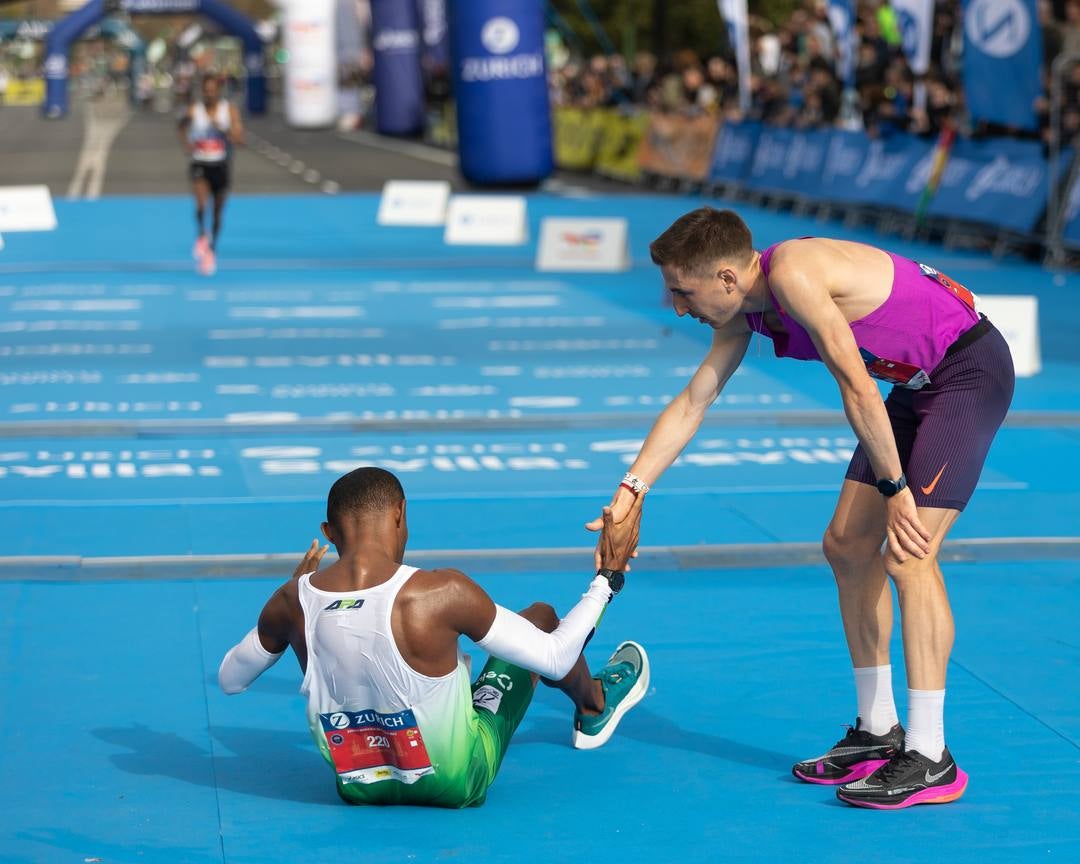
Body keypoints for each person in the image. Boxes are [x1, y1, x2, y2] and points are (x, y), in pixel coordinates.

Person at [587, 208, 1015, 810]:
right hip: (915, 385)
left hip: (967, 373)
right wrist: (631, 490)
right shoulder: (745, 308)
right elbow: (693, 402)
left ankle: (930, 754)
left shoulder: (795, 275)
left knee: (909, 553)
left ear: (727, 278)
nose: (678, 309)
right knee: (846, 545)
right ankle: (878, 730)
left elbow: (856, 385)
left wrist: (896, 490)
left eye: (683, 292)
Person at [218, 467, 649, 807]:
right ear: (400, 514)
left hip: (359, 789)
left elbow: (230, 680)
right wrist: (607, 578)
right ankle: (593, 705)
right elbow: (555, 658)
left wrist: (290, 594)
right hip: (456, 783)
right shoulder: (441, 592)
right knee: (540, 616)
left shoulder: (290, 601)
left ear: (329, 532)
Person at [178, 73, 242, 277]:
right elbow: (181, 125)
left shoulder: (228, 110)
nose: (209, 94)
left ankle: (212, 249)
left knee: (217, 212)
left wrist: (222, 129)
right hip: (200, 163)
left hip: (220, 165)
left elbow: (240, 139)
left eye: (213, 90)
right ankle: (201, 234)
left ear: (218, 91)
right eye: (206, 90)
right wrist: (186, 143)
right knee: (201, 205)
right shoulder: (195, 110)